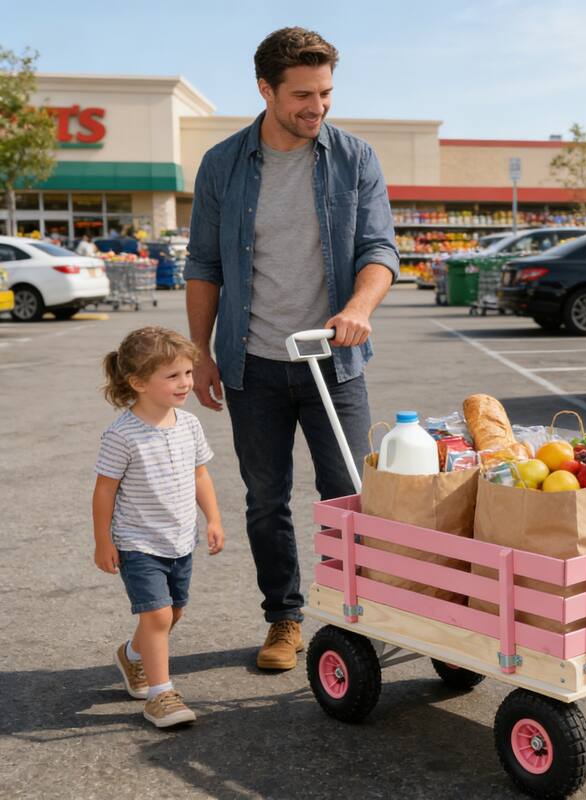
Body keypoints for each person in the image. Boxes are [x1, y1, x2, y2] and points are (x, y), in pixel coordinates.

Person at [184, 27, 398, 671]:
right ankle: (284, 619)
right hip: (253, 365)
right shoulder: (223, 164)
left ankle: (356, 617)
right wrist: (200, 352)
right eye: (303, 94)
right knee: (266, 500)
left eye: (326, 92)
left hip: (336, 363)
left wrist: (358, 308)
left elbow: (379, 250)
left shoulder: (355, 158)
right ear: (266, 89)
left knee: (350, 495)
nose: (318, 106)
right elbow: (203, 264)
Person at [92, 326, 225, 728]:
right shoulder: (122, 434)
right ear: (138, 383)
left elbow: (200, 474)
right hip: (138, 543)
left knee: (174, 612)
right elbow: (104, 492)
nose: (185, 383)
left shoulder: (188, 425)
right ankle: (160, 694)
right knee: (158, 617)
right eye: (173, 376)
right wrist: (103, 542)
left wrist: (214, 519)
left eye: (187, 373)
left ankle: (133, 656)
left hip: (180, 540)